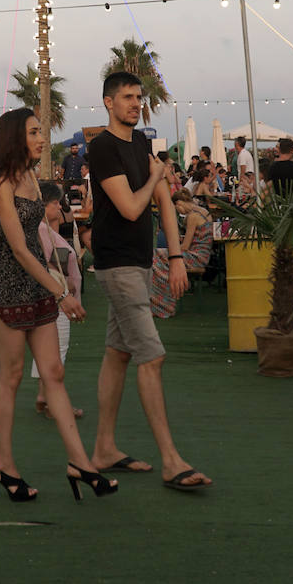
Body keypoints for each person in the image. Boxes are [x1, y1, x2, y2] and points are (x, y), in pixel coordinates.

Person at [0, 108, 114, 502]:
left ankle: (81, 463)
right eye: (34, 132)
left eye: (41, 131)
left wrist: (61, 280)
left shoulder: (33, 176)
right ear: (13, 137)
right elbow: (18, 248)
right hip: (7, 286)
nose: (41, 138)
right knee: (13, 376)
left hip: (38, 283)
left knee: (53, 372)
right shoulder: (0, 182)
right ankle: (2, 464)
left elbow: (41, 238)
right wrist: (61, 293)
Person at [87, 72, 212, 490]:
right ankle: (172, 460)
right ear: (108, 102)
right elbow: (130, 207)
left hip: (141, 260)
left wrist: (176, 257)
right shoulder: (102, 148)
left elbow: (163, 203)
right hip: (116, 263)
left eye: (138, 97)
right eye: (127, 97)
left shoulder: (140, 143)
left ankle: (104, 447)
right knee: (151, 356)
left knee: (118, 353)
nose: (135, 104)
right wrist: (157, 177)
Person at [31, 182, 84, 419]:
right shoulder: (41, 230)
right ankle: (55, 403)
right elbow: (42, 262)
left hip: (55, 295)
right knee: (57, 350)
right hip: (57, 297)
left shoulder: (41, 228)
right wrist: (65, 285)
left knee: (50, 349)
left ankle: (44, 395)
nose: (58, 208)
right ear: (46, 204)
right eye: (56, 203)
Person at [148, 190, 212, 319]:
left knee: (155, 258)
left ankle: (162, 304)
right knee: (159, 256)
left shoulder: (192, 217)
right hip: (203, 255)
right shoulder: (204, 212)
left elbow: (185, 246)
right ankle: (162, 303)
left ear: (178, 204)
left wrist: (173, 243)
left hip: (195, 257)